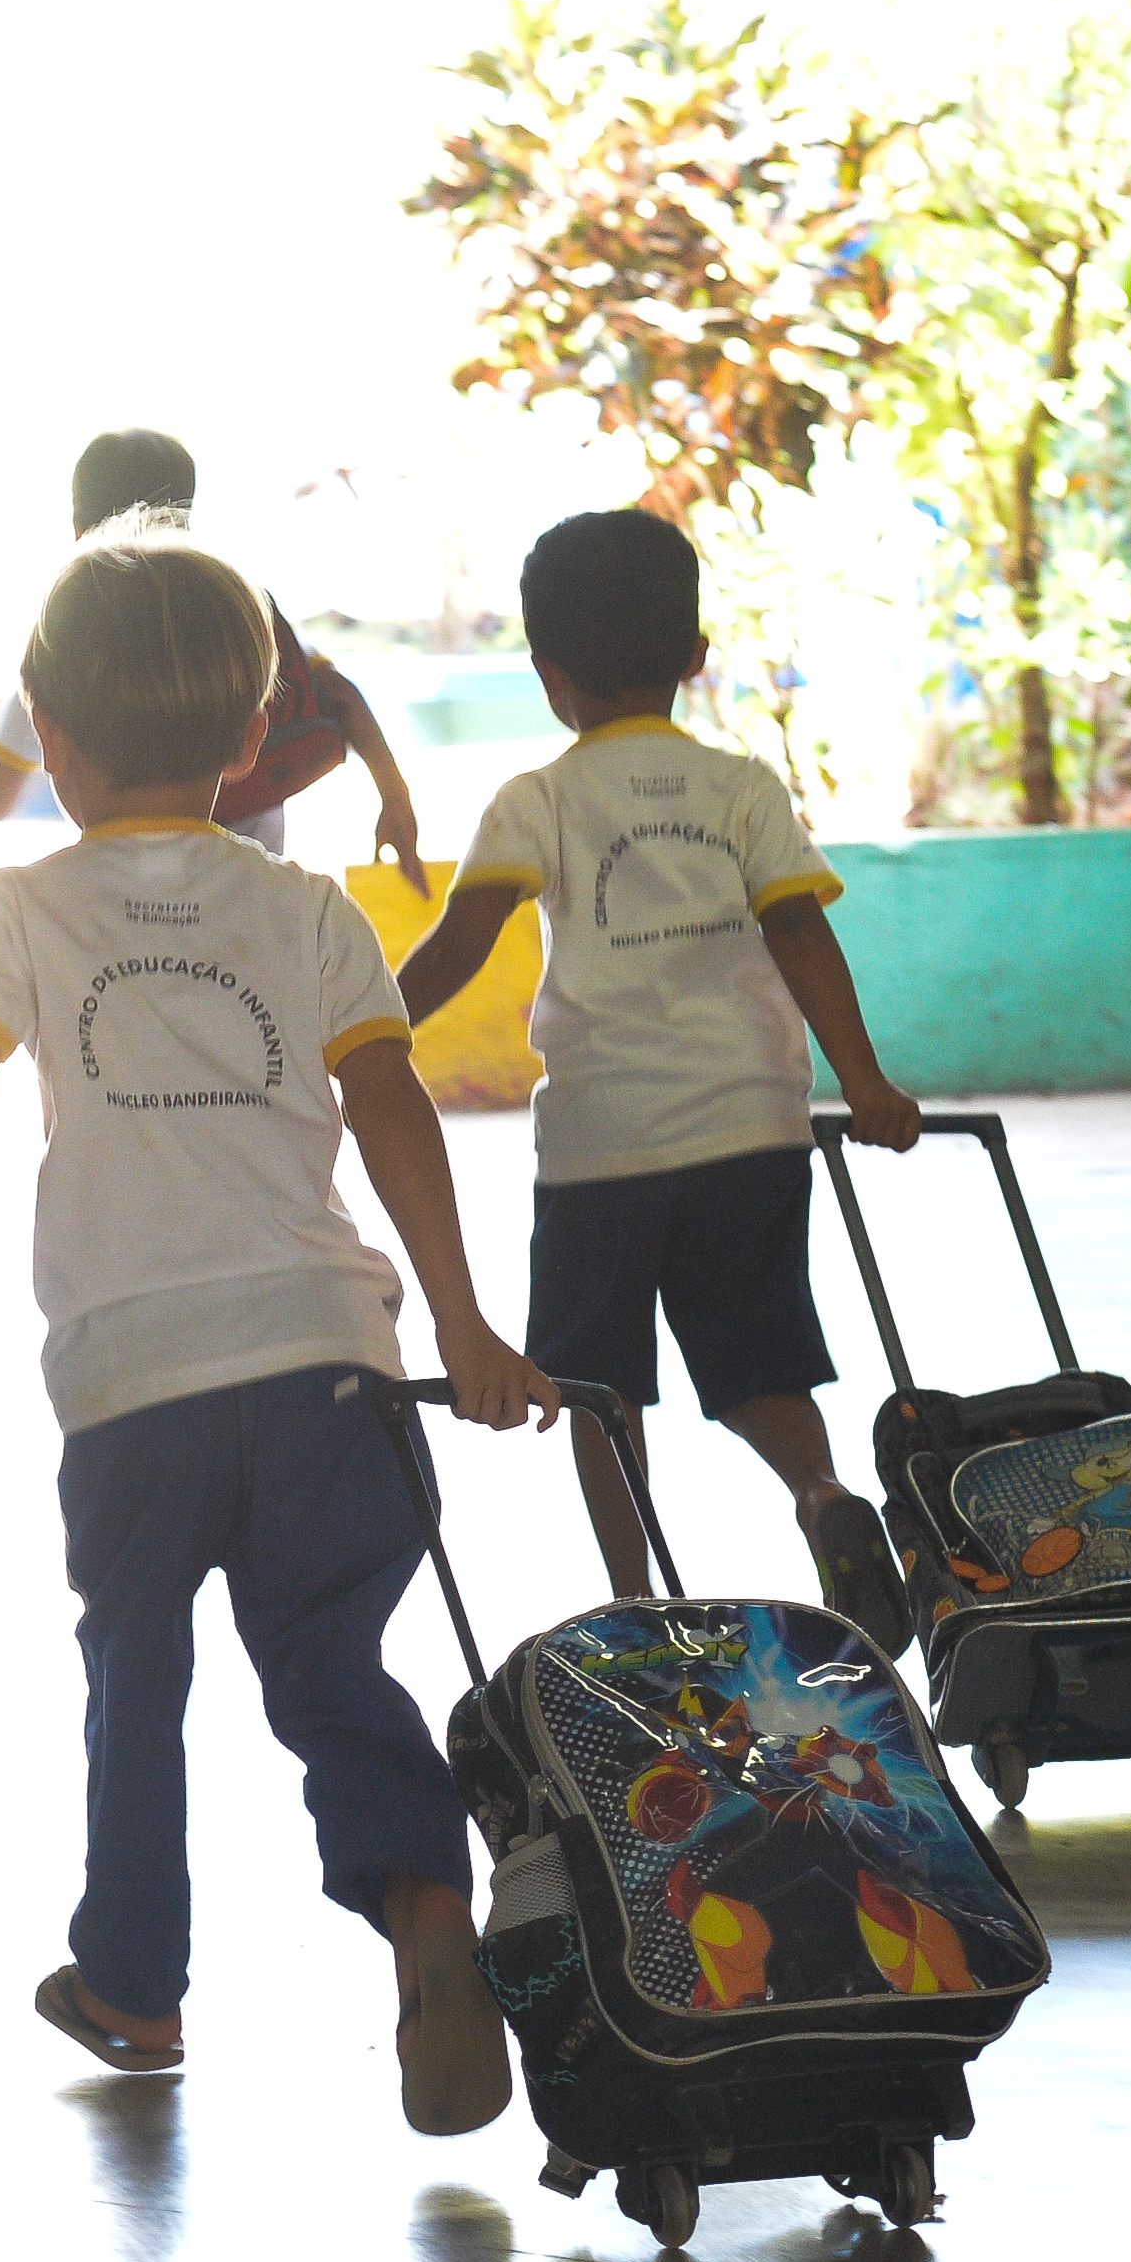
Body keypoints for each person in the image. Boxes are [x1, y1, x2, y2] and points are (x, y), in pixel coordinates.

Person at [0, 518, 556, 2131]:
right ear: (250, 740)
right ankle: (425, 1901)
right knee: (331, 1666)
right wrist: (467, 1319)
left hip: (133, 1374)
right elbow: (394, 1110)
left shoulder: (17, 910)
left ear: (51, 734)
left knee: (134, 1680)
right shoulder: (309, 915)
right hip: (324, 1357)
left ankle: (134, 1984)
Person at [395, 509, 922, 1640]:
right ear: (695, 657)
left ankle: (637, 1602)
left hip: (603, 1143)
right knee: (759, 1359)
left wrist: (367, 1029)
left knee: (597, 1385)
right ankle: (822, 1499)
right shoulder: (741, 788)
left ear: (548, 674)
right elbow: (802, 937)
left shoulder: (538, 798)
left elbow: (464, 938)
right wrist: (865, 1080)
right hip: (752, 1124)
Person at [0, 429, 427, 890]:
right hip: (248, 889)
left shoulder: (68, 640)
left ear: (77, 529)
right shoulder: (233, 615)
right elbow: (342, 698)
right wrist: (396, 799)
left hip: (125, 891)